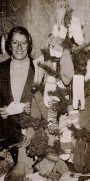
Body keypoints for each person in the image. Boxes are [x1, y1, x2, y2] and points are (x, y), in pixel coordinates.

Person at [0, 26, 35, 163]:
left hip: (33, 135)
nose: (19, 47)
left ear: (29, 44)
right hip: (5, 135)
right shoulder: (0, 69)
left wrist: (34, 121)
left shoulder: (38, 68)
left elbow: (49, 103)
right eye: (15, 42)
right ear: (9, 45)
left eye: (24, 42)